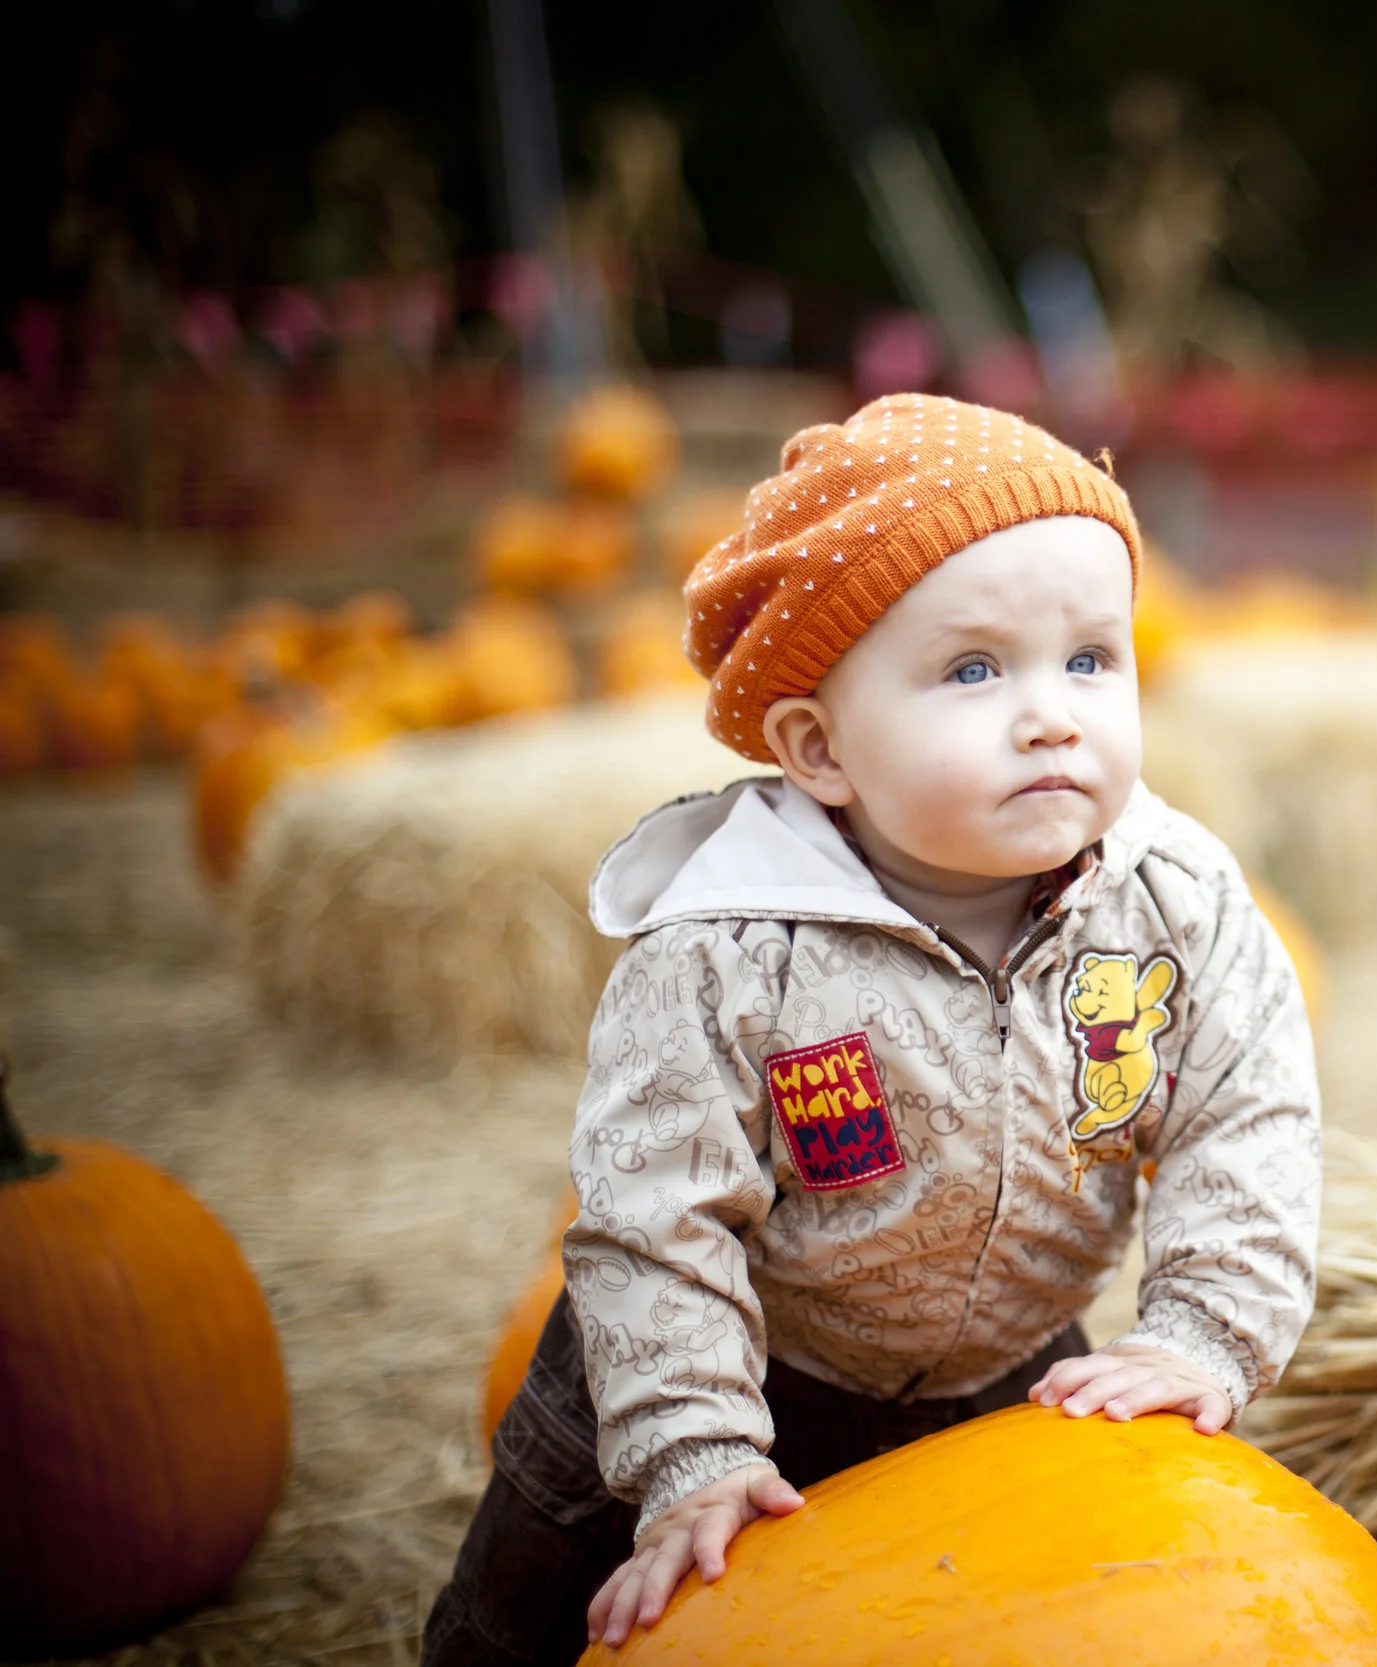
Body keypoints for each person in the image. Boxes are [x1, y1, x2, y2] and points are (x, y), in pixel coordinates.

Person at [421, 394, 1320, 1666]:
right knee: (532, 1635)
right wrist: (693, 1450)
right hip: (742, 1368)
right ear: (818, 745)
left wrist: (1200, 1329)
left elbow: (1247, 1115)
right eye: (972, 669)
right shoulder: (727, 951)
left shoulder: (1174, 904)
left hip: (1010, 1374)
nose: (1052, 712)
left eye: (1090, 659)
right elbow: (657, 1211)